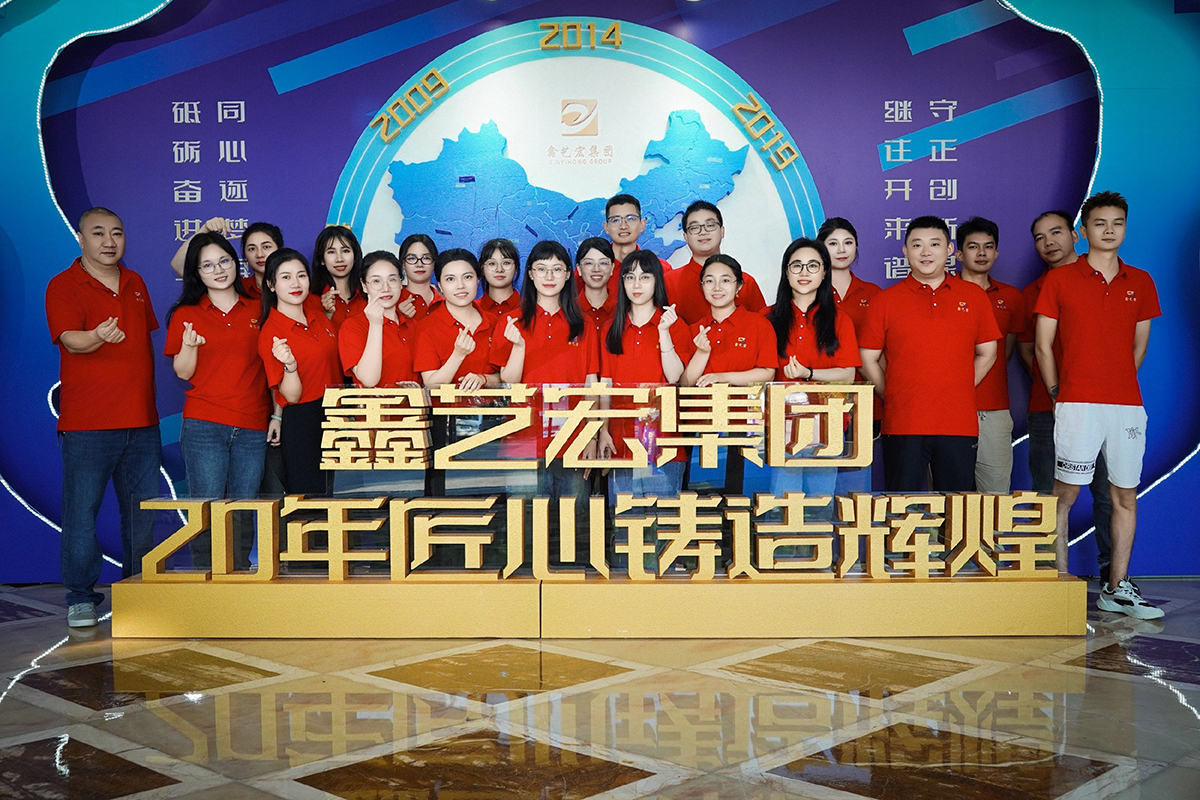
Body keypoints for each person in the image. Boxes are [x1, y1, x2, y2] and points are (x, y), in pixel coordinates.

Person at [1033, 191, 1162, 618]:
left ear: (1125, 228)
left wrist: (1116, 382)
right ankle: (1059, 585)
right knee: (1064, 494)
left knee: (1124, 495)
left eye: (1117, 223)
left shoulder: (1140, 281)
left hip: (1126, 406)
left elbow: (1138, 348)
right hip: (1077, 405)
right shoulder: (1060, 280)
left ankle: (1117, 587)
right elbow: (1043, 346)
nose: (1109, 230)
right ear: (1083, 231)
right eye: (1100, 223)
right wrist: (1059, 392)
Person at [46, 207, 162, 628]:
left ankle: (138, 592)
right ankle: (81, 597)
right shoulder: (63, 285)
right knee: (81, 515)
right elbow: (71, 341)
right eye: (98, 233)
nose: (109, 241)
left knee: (141, 515)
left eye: (117, 233)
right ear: (81, 238)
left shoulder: (135, 282)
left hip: (142, 422)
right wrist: (96, 336)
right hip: (88, 425)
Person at [858, 216, 1000, 492]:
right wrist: (893, 392)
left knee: (957, 507)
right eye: (917, 245)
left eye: (935, 244)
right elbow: (867, 358)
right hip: (903, 423)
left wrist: (960, 387)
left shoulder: (974, 297)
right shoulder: (885, 301)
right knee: (902, 506)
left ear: (949, 249)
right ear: (905, 251)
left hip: (958, 423)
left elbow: (988, 353)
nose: (926, 252)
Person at [164, 232, 270, 571]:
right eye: (207, 265)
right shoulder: (186, 313)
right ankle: (205, 583)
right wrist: (189, 346)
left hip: (253, 424)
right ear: (197, 273)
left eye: (224, 261)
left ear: (235, 263)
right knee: (206, 507)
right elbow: (183, 372)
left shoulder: (259, 307)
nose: (219, 270)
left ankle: (237, 578)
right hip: (205, 424)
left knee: (242, 508)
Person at [488, 241, 600, 560]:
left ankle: (569, 585)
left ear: (568, 275)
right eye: (541, 269)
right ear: (530, 275)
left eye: (556, 269)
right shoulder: (511, 322)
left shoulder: (584, 324)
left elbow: (591, 384)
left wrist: (592, 436)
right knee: (524, 524)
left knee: (574, 523)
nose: (549, 276)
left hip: (572, 440)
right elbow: (508, 381)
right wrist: (517, 346)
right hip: (522, 438)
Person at [1019, 210, 1113, 579]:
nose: (1049, 243)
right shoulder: (1032, 293)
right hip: (1047, 409)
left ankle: (1112, 574)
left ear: (1076, 235)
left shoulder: (1105, 281)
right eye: (1040, 238)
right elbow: (1028, 349)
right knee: (1047, 492)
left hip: (1103, 407)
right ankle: (1049, 573)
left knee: (1106, 492)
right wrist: (1057, 391)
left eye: (1056, 232)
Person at [764, 239, 859, 505]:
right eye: (796, 265)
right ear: (786, 272)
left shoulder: (840, 320)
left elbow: (848, 375)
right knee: (783, 506)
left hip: (827, 426)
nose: (804, 272)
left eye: (813, 266)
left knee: (820, 506)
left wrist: (809, 373)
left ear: (824, 272)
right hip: (782, 425)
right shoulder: (767, 318)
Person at [596, 250, 694, 499]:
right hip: (621, 440)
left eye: (645, 277)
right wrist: (603, 431)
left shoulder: (676, 325)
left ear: (657, 281)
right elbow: (605, 385)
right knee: (624, 518)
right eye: (630, 277)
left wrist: (664, 331)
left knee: (664, 518)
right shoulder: (611, 328)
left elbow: (673, 376)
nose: (636, 285)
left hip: (665, 441)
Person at [257, 249, 341, 496]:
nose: (295, 283)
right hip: (304, 419)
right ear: (271, 284)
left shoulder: (319, 317)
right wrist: (290, 365)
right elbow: (291, 396)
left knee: (341, 495)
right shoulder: (271, 332)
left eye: (301, 275)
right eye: (286, 277)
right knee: (311, 498)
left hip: (336, 413)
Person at [955, 217, 1024, 494]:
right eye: (973, 247)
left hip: (994, 410)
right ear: (959, 254)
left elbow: (1004, 353)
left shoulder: (1011, 297)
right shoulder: (943, 293)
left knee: (995, 497)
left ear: (996, 253)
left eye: (988, 246)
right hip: (949, 410)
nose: (981, 253)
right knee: (947, 498)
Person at [818, 217, 881, 493]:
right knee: (818, 481)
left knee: (855, 482)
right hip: (821, 400)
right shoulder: (810, 291)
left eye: (848, 242)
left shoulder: (874, 294)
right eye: (833, 243)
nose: (841, 249)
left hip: (866, 399)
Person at [682, 255, 776, 388]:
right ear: (702, 287)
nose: (717, 287)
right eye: (709, 281)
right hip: (703, 402)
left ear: (739, 286)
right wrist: (702, 353)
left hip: (744, 402)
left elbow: (768, 374)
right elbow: (685, 384)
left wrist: (723, 377)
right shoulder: (695, 330)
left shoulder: (759, 324)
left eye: (725, 280)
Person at [666, 201, 766, 326]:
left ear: (722, 231)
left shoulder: (745, 282)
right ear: (685, 237)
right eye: (695, 227)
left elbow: (762, 327)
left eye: (710, 225)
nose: (703, 232)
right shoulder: (668, 282)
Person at [414, 249, 499, 390]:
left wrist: (483, 379)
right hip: (446, 405)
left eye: (467, 277)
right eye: (450, 279)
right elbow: (430, 384)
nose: (460, 286)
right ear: (440, 286)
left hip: (492, 404)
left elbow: (506, 376)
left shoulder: (493, 322)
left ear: (478, 280)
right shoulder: (427, 326)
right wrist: (458, 355)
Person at [338, 251, 419, 389]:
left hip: (414, 403)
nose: (386, 288)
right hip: (373, 404)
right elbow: (369, 380)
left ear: (401, 282)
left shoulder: (413, 326)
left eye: (392, 279)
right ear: (364, 286)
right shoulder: (353, 327)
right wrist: (375, 325)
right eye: (376, 281)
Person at [312, 225, 366, 333]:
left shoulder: (369, 295)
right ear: (322, 259)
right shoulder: (311, 299)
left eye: (345, 251)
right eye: (331, 252)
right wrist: (327, 314)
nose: (339, 259)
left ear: (355, 256)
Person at [575, 237, 617, 338]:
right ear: (579, 269)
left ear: (612, 268)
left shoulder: (623, 311)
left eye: (603, 263)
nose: (596, 269)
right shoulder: (569, 310)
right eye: (589, 263)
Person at [398, 233, 441, 320]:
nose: (419, 264)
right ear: (403, 264)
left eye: (426, 258)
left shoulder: (446, 303)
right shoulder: (393, 301)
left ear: (434, 263)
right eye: (411, 258)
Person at [478, 238, 521, 317]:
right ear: (482, 269)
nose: (499, 269)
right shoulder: (472, 309)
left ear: (516, 268)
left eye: (506, 263)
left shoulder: (531, 308)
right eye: (492, 264)